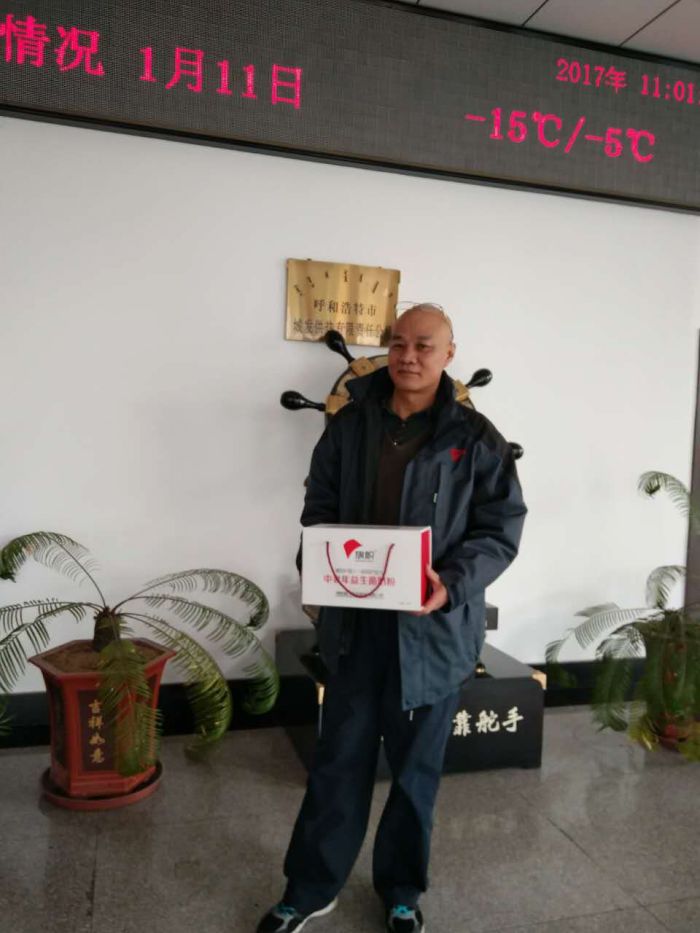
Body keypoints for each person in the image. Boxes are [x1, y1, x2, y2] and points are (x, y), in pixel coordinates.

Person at [257, 304, 527, 933]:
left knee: (414, 774)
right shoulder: (350, 425)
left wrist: (451, 584)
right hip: (356, 631)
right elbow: (319, 506)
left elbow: (500, 529)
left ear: (449, 354)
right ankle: (311, 888)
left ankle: (402, 891)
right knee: (338, 764)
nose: (408, 356)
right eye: (399, 343)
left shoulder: (475, 437)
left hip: (431, 633)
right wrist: (320, 567)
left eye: (424, 345)